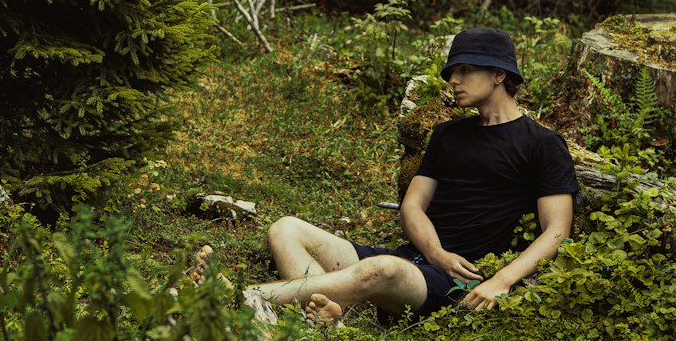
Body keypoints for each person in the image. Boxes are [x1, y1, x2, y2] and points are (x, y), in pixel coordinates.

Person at [244, 27, 579, 325]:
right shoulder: (448, 134)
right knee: (285, 229)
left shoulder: (543, 144)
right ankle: (325, 314)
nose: (453, 80)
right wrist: (435, 253)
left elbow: (557, 230)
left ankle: (245, 295)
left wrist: (502, 279)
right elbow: (412, 207)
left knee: (383, 269)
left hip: (460, 280)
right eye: (452, 71)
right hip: (416, 258)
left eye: (464, 70)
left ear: (497, 74)